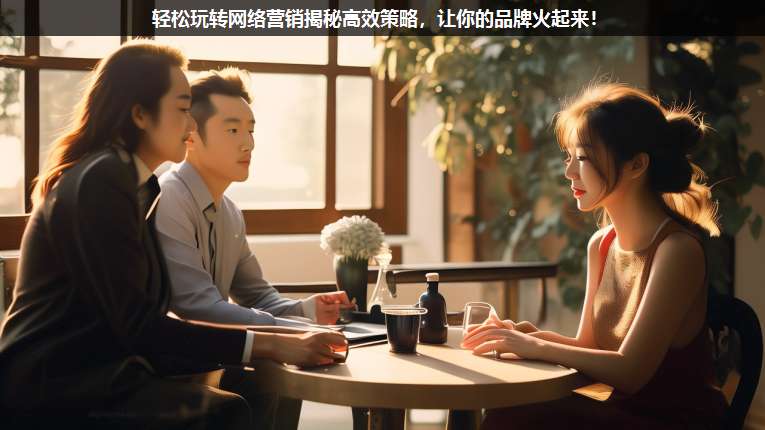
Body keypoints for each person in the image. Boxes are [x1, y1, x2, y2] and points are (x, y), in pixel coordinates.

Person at [0, 40, 346, 429]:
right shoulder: (103, 179)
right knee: (227, 409)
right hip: (56, 383)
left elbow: (142, 320)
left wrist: (280, 339)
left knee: (259, 383)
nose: (191, 125)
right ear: (140, 114)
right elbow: (140, 326)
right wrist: (273, 342)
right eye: (182, 110)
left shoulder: (138, 184)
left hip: (106, 369)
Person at [461, 83, 728, 429]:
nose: (569, 172)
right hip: (615, 408)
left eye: (584, 158)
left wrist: (533, 346)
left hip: (671, 419)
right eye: (569, 157)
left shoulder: (677, 250)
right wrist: (525, 336)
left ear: (636, 165)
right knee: (509, 408)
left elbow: (630, 371)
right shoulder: (601, 244)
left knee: (510, 416)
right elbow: (588, 347)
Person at [155, 67, 355, 430]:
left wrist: (307, 310)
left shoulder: (230, 212)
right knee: (276, 367)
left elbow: (258, 296)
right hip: (167, 365)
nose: (248, 143)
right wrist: (291, 333)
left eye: (250, 130)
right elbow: (197, 307)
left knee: (282, 373)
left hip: (210, 359)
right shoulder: (169, 197)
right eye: (232, 130)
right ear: (191, 136)